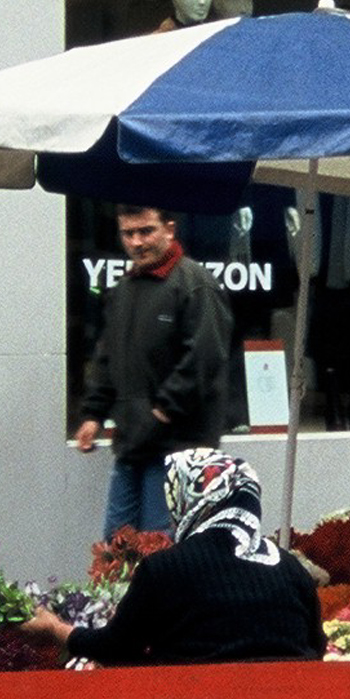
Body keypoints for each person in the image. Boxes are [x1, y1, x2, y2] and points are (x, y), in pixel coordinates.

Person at [20, 450, 317, 667]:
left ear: (191, 498)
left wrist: (55, 629)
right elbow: (315, 648)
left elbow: (115, 647)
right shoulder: (291, 569)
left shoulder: (166, 568)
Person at [76, 204, 234, 537]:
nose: (136, 242)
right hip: (132, 444)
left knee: (159, 550)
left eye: (146, 231)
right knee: (115, 548)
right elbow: (107, 357)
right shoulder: (124, 288)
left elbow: (204, 359)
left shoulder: (196, 284)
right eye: (128, 233)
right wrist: (93, 414)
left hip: (178, 449)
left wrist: (162, 412)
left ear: (169, 229)